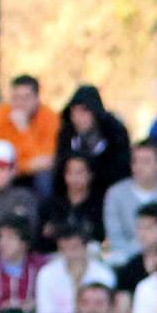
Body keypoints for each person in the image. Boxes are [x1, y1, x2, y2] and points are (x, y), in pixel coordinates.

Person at [103, 139, 157, 269]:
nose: (139, 167)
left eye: (146, 161)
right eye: (135, 161)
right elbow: (114, 236)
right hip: (126, 259)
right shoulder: (115, 194)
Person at [52, 86, 132, 219]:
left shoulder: (115, 133)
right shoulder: (67, 134)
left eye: (84, 112)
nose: (78, 118)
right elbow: (60, 172)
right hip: (73, 193)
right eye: (74, 112)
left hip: (107, 192)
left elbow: (121, 169)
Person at [31, 217, 115, 313]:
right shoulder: (46, 274)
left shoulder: (103, 274)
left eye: (74, 248)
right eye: (63, 249)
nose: (69, 255)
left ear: (86, 247)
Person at [0, 74, 58, 182]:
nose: (20, 103)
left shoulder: (50, 118)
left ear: (37, 98)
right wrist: (25, 166)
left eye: (26, 98)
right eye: (15, 98)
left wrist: (24, 129)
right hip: (4, 173)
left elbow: (45, 161)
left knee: (44, 178)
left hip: (33, 176)